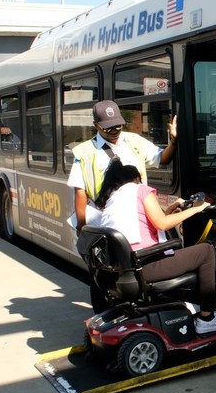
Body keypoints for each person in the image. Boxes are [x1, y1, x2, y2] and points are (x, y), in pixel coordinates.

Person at [93, 158, 216, 334]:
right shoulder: (141, 190)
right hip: (145, 265)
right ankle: (207, 318)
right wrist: (197, 209)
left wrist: (172, 209)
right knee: (206, 251)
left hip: (124, 269)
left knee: (183, 251)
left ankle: (192, 305)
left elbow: (148, 222)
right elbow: (161, 224)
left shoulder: (114, 198)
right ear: (137, 178)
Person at [68, 100, 177, 312]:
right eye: (108, 127)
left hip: (136, 218)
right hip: (104, 220)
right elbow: (79, 191)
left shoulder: (134, 141)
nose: (114, 131)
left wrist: (173, 141)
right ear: (96, 125)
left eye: (117, 125)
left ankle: (137, 313)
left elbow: (161, 158)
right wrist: (83, 228)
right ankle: (102, 318)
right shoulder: (84, 152)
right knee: (103, 272)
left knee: (136, 267)